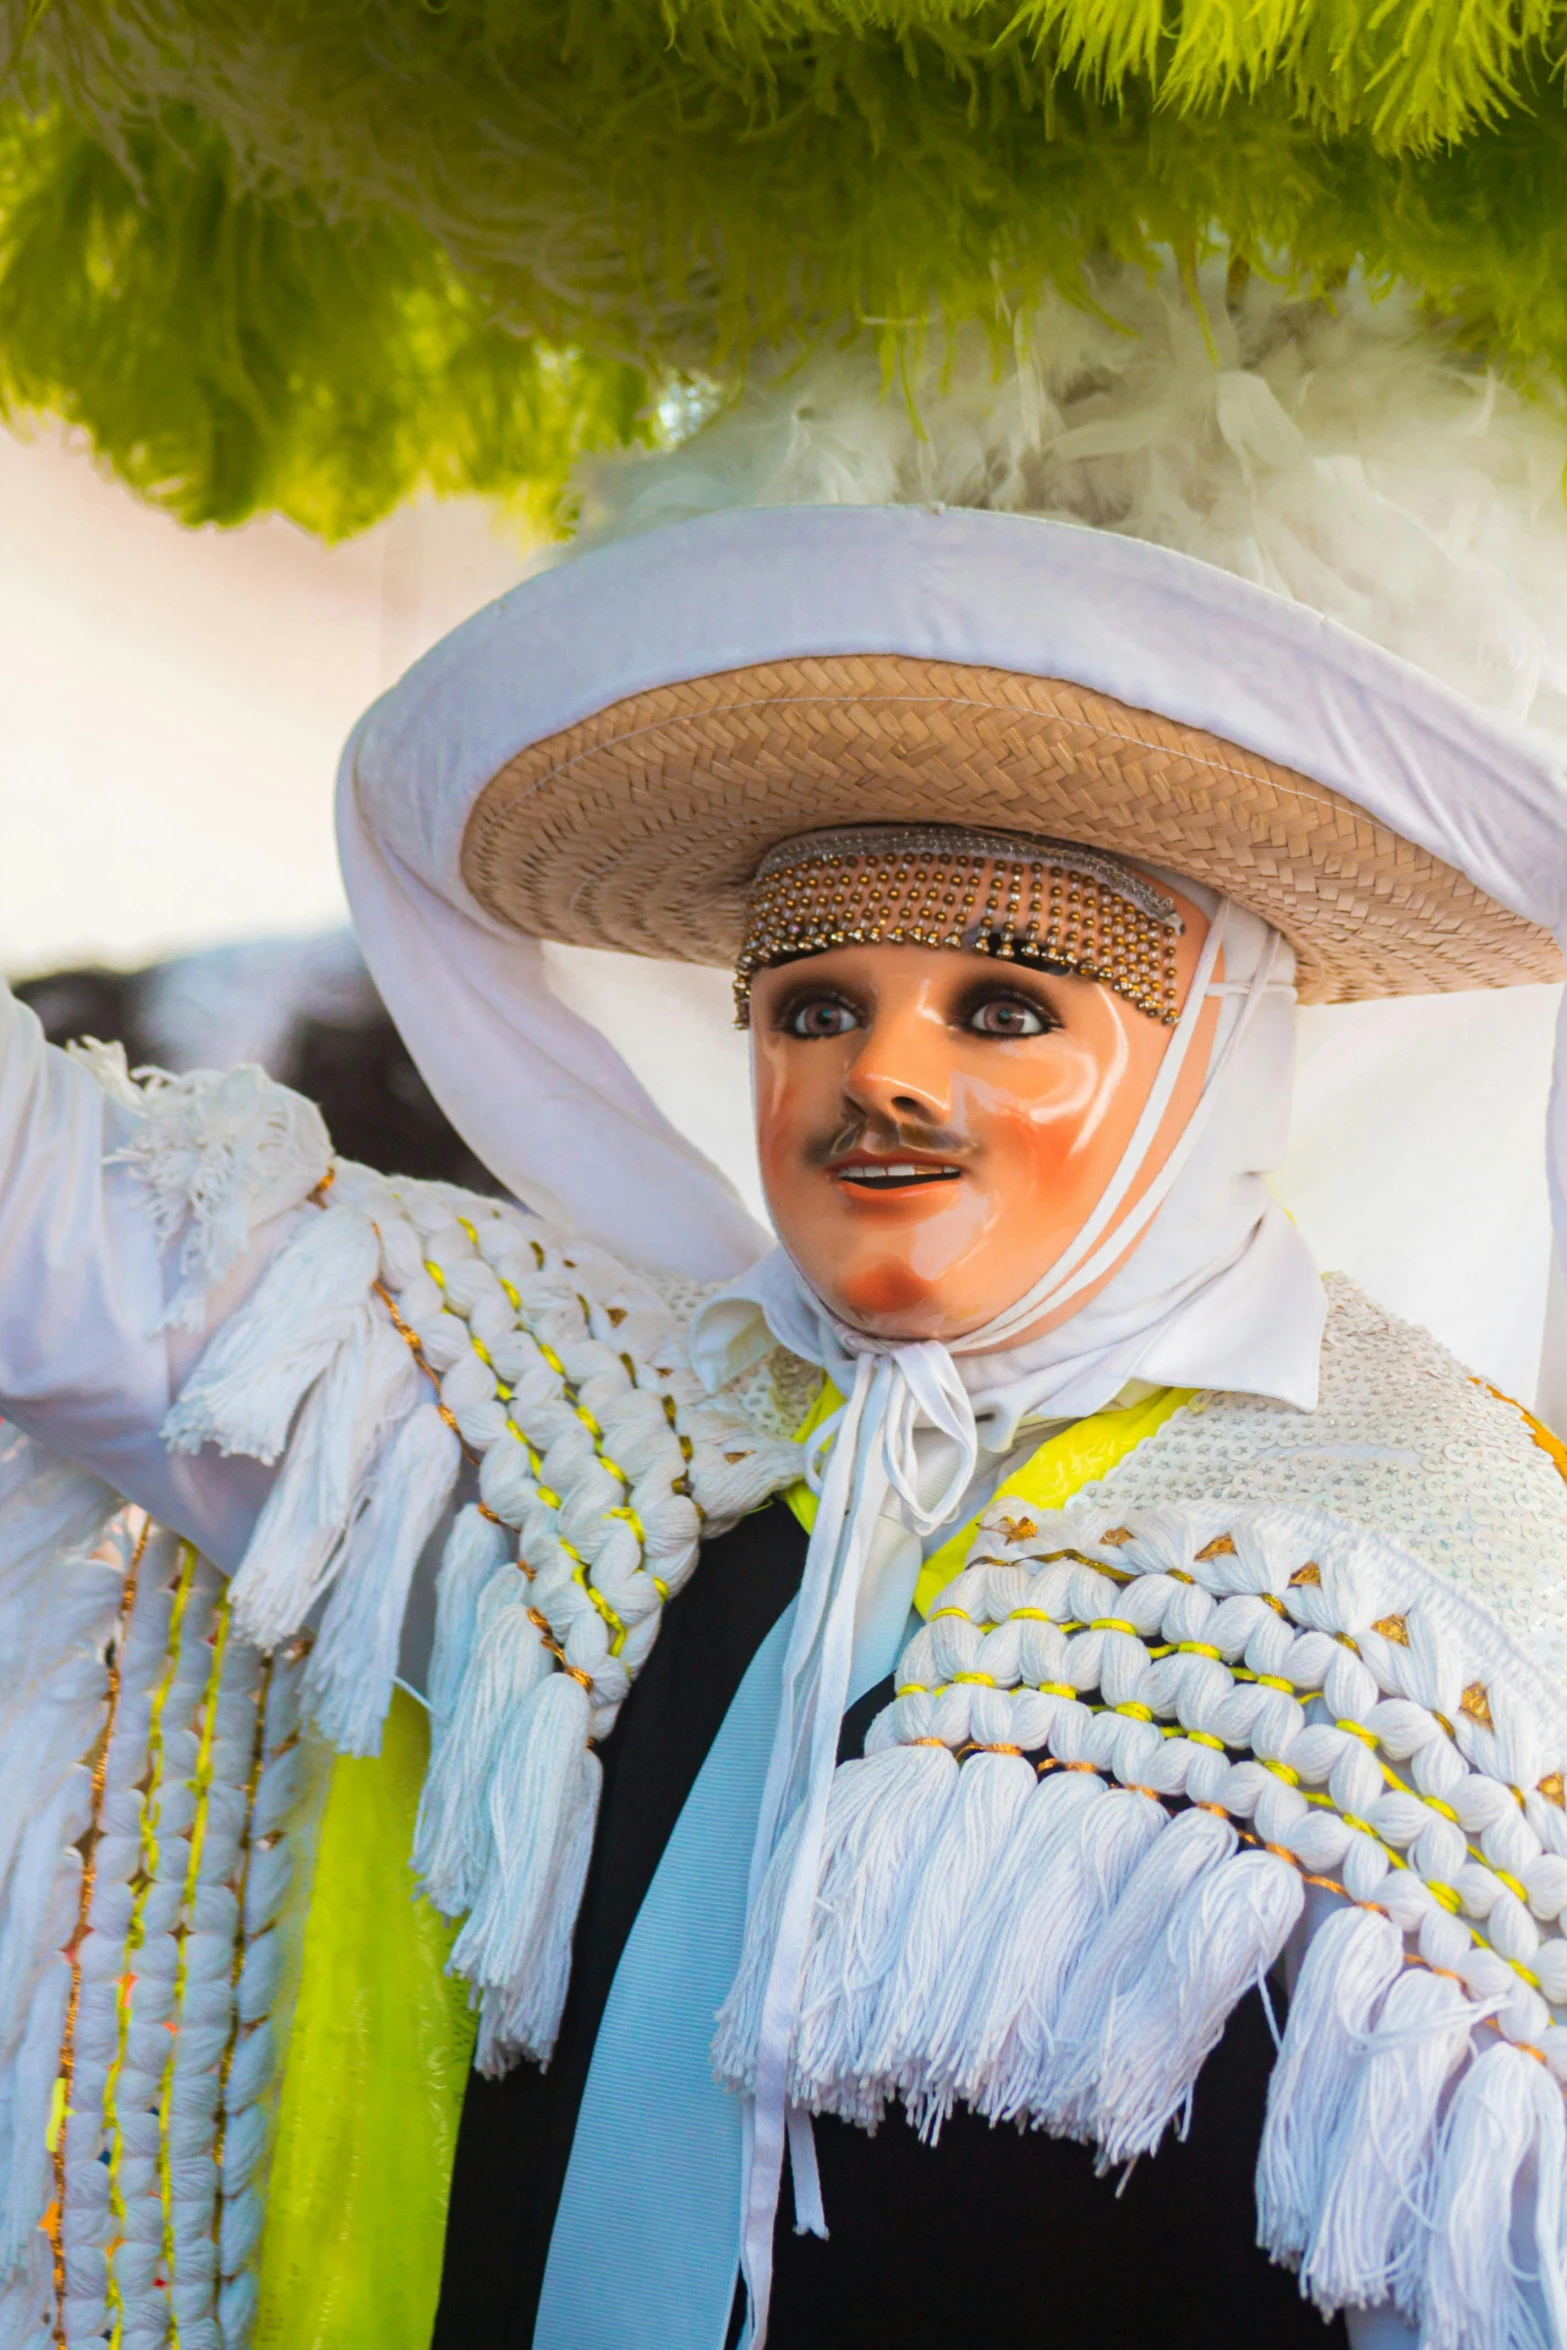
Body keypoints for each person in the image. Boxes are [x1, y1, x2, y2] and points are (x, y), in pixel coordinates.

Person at [5, 270, 1567, 2350]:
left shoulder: (1428, 1586)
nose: (884, 1079)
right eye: (816, 1004)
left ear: (1219, 1046)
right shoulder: (586, 1427)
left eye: (1007, 1005)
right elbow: (57, 1237)